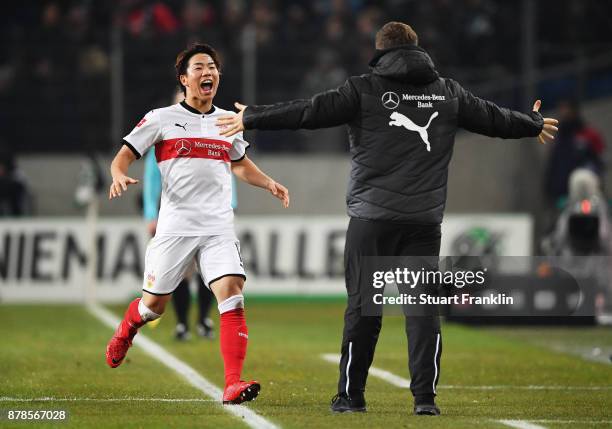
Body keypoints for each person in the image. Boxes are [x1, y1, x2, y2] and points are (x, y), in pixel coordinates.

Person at [216, 22, 558, 415]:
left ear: (379, 53)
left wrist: (254, 117)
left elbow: (309, 112)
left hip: (371, 221)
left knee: (364, 309)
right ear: (418, 50)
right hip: (423, 223)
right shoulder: (447, 92)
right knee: (423, 312)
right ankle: (425, 401)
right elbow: (495, 120)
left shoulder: (363, 90)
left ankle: (350, 396)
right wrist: (531, 124)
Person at [106, 43, 290, 405]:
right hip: (174, 228)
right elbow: (124, 155)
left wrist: (267, 181)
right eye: (200, 67)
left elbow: (238, 163)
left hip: (218, 226)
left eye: (213, 67)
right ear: (184, 78)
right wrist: (117, 174)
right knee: (152, 307)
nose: (209, 73)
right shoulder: (160, 118)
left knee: (232, 292)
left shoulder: (228, 121)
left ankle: (232, 384)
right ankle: (127, 328)